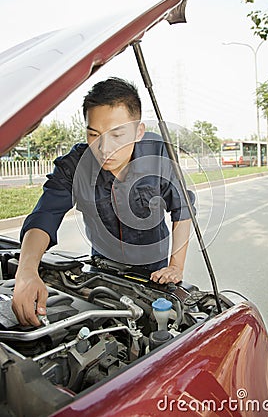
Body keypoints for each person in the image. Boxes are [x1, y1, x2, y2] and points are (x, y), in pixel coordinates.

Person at [12, 77, 195, 327]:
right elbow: (44, 216)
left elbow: (182, 208)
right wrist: (26, 272)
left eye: (117, 135)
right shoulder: (75, 165)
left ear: (138, 131)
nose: (104, 147)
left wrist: (175, 266)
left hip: (153, 270)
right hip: (101, 268)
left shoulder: (158, 154)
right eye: (93, 134)